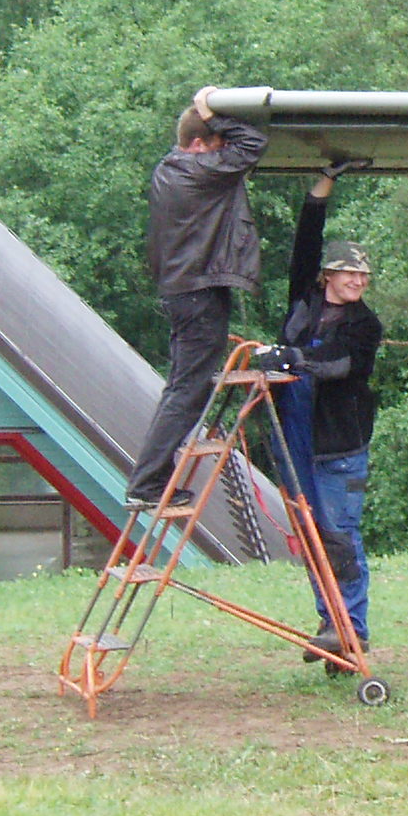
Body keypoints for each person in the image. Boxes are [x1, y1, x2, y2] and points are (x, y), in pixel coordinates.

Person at [128, 87, 269, 504]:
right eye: (215, 146)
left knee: (181, 388)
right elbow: (253, 145)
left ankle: (149, 480)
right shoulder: (197, 171)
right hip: (198, 291)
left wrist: (211, 120)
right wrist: (212, 112)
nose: (221, 154)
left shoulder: (169, 170)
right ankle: (149, 484)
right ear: (197, 145)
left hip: (183, 291)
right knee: (188, 391)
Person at [264, 168, 384, 657]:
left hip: (339, 447)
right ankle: (329, 624)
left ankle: (352, 626)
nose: (357, 280)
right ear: (327, 276)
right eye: (348, 272)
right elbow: (304, 243)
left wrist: (299, 360)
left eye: (363, 275)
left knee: (339, 535)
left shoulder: (366, 325)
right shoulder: (304, 301)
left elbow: (344, 368)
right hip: (294, 441)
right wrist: (320, 191)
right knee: (310, 536)